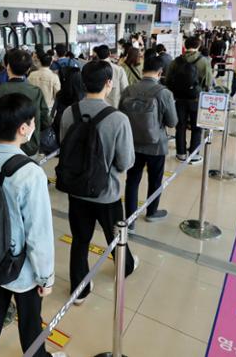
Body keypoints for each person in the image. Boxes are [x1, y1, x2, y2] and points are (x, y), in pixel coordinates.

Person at [0, 93, 62, 357]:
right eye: (32, 122)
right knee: (31, 323)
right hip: (21, 269)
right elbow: (38, 233)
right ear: (23, 128)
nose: (33, 126)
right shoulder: (30, 173)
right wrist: (46, 276)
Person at [60, 61, 138, 306]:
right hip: (107, 193)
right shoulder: (118, 119)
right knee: (115, 236)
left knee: (80, 239)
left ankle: (79, 290)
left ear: (83, 83)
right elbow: (126, 161)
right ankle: (124, 267)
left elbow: (65, 147)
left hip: (77, 191)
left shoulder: (68, 113)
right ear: (108, 83)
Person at [120, 57, 178, 230]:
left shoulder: (129, 89)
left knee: (132, 181)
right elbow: (172, 122)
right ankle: (152, 212)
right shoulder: (164, 93)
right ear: (160, 73)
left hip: (132, 144)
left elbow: (120, 115)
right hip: (156, 145)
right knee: (155, 180)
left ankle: (130, 221)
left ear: (143, 70)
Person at [0, 49, 51, 156]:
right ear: (28, 70)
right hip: (29, 146)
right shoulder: (35, 92)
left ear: (8, 66)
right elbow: (45, 120)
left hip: (1, 146)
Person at [165, 36, 213, 164]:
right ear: (198, 46)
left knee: (180, 126)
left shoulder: (176, 61)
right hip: (197, 98)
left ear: (185, 46)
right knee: (197, 127)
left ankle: (180, 153)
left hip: (179, 98)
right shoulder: (204, 61)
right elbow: (208, 82)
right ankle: (194, 153)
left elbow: (168, 80)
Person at [51, 66, 84, 143]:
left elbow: (53, 113)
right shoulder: (83, 96)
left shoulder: (60, 94)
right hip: (76, 129)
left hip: (60, 124)